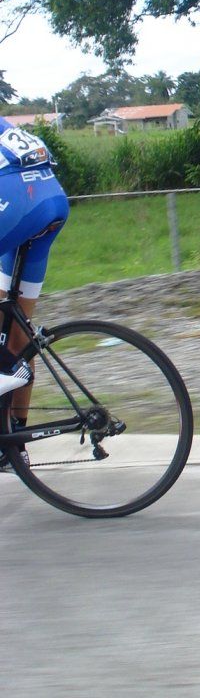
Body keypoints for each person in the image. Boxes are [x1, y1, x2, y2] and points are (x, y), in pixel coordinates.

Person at [0, 117, 69, 461]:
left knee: (13, 339)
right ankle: (15, 448)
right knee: (17, 338)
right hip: (51, 200)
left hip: (18, 201)